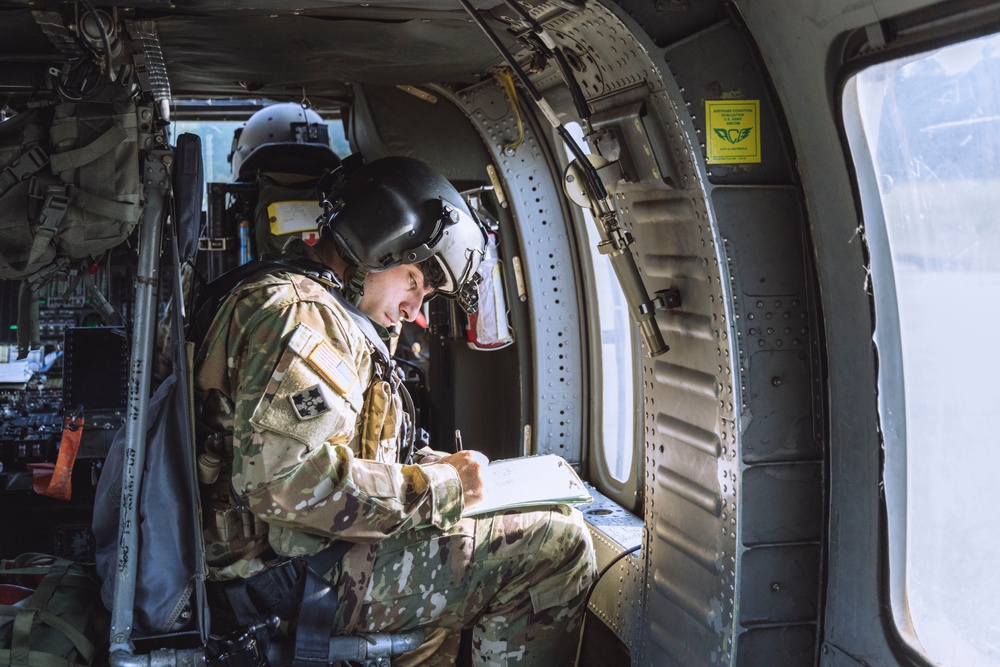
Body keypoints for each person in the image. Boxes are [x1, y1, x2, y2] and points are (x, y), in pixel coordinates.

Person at [193, 156, 596, 666]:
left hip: (285, 561)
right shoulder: (303, 315)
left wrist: (428, 467)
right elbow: (287, 483)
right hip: (280, 580)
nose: (415, 310)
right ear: (379, 242)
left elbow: (326, 448)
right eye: (414, 282)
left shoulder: (298, 298)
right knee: (556, 544)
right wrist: (442, 489)